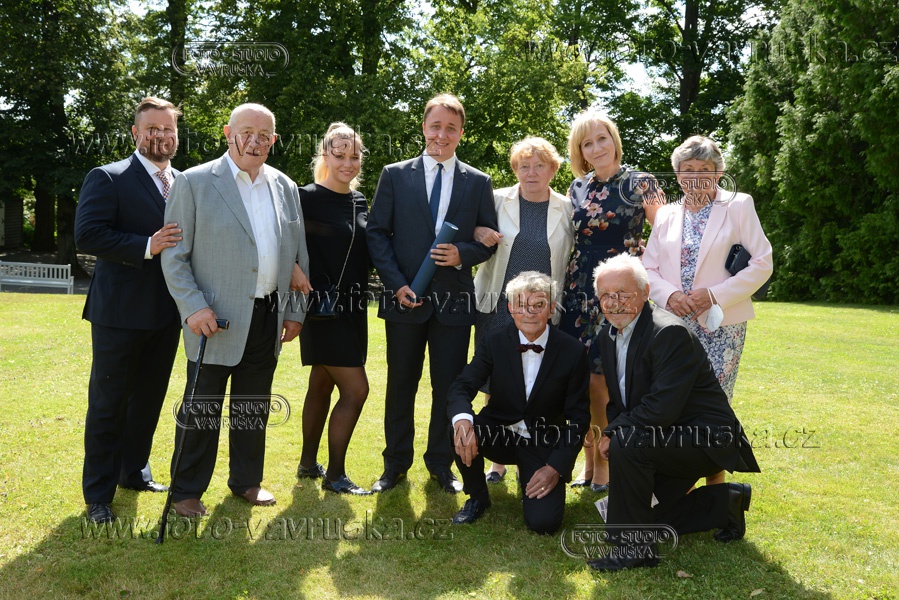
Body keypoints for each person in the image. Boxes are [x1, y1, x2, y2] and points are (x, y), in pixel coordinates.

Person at [161, 103, 309, 516]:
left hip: (267, 315)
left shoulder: (285, 186)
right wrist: (193, 308)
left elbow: (298, 253)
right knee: (202, 410)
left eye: (264, 136)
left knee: (252, 407)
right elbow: (174, 257)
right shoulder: (193, 182)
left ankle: (247, 481)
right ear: (228, 133)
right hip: (212, 319)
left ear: (273, 141)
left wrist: (295, 310)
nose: (254, 142)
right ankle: (185, 491)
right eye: (246, 132)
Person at [586, 254, 759, 572]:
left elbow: (661, 408)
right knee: (638, 515)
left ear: (645, 292)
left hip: (703, 439)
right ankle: (725, 504)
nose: (614, 303)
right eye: (606, 295)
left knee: (627, 443)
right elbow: (620, 402)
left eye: (623, 293)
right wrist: (615, 427)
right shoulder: (607, 335)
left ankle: (635, 551)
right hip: (663, 438)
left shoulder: (668, 333)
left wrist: (613, 432)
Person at [366, 93, 499, 494]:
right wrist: (396, 284)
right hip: (405, 299)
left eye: (451, 128)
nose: (442, 134)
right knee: (400, 385)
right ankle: (394, 466)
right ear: (424, 127)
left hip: (454, 304)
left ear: (461, 133)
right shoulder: (394, 175)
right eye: (436, 126)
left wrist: (462, 255)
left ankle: (441, 465)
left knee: (450, 388)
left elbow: (488, 240)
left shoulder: (478, 182)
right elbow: (377, 234)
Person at [74, 97, 185, 524]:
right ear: (136, 133)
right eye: (152, 128)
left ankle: (133, 472)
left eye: (168, 129)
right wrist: (146, 245)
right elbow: (88, 234)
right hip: (118, 314)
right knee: (109, 403)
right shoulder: (109, 177)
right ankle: (98, 495)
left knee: (148, 400)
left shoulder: (185, 182)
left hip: (168, 313)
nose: (161, 136)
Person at [643, 135, 772, 485]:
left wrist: (713, 295)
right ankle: (675, 483)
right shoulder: (666, 214)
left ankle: (716, 489)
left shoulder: (738, 205)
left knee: (713, 405)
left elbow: (762, 262)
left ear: (718, 172)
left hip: (721, 326)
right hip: (673, 326)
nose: (696, 176)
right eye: (688, 169)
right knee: (673, 400)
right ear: (678, 175)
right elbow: (648, 268)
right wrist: (670, 296)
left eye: (705, 168)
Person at [559, 111, 663, 494]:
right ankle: (588, 464)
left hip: (619, 290)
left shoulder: (643, 182)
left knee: (604, 381)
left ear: (614, 139)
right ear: (581, 152)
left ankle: (606, 465)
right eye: (587, 143)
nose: (596, 147)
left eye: (602, 138)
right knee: (582, 382)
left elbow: (666, 233)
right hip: (577, 290)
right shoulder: (575, 188)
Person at [448, 271, 589, 533]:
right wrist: (463, 421)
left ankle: (531, 477)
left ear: (551, 308)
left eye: (538, 305)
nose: (530, 313)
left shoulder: (573, 351)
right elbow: (462, 386)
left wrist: (555, 467)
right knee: (458, 427)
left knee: (544, 524)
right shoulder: (494, 341)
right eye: (522, 305)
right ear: (511, 309)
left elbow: (578, 419)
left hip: (542, 440)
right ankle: (477, 497)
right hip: (498, 434)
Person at [472, 137, 574, 484]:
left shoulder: (567, 208)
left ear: (553, 170)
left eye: (539, 166)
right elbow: (471, 227)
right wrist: (478, 230)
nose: (531, 173)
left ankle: (529, 454)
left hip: (541, 310)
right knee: (497, 380)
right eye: (524, 166)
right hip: (499, 305)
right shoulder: (496, 199)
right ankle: (497, 460)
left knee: (535, 380)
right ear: (515, 169)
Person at [292, 123, 372, 495]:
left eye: (354, 156)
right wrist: (291, 268)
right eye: (339, 155)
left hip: (353, 308)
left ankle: (308, 463)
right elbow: (280, 240)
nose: (347, 163)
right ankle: (335, 474)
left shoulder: (360, 201)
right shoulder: (304, 196)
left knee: (322, 382)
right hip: (321, 309)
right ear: (325, 155)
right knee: (356, 391)